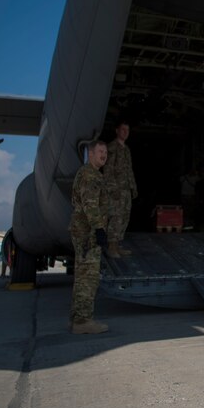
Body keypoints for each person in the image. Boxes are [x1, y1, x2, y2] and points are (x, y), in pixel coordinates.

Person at [69, 140, 110, 334]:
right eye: (100, 151)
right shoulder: (89, 174)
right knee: (88, 277)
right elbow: (90, 204)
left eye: (106, 152)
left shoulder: (92, 174)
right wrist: (99, 229)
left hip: (85, 230)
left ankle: (78, 318)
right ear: (91, 154)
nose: (104, 155)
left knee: (83, 275)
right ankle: (83, 321)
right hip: (88, 232)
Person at [104, 121, 137, 257]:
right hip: (116, 190)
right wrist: (112, 189)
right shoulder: (112, 147)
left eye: (127, 130)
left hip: (126, 190)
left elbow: (129, 170)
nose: (125, 132)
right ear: (117, 130)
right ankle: (111, 247)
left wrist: (133, 187)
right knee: (115, 218)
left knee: (124, 218)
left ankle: (117, 246)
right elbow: (108, 170)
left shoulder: (126, 149)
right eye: (123, 130)